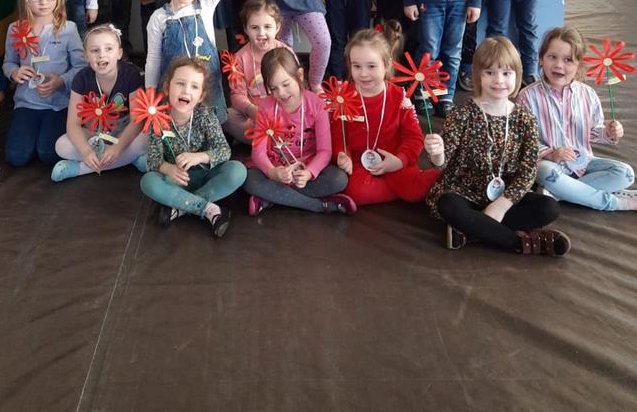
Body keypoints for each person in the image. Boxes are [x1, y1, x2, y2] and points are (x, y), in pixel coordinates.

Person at [423, 37, 571, 255]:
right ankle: (519, 243)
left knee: (549, 208)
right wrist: (437, 153)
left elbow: (528, 170)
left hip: (504, 194)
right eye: (490, 72)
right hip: (462, 193)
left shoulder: (525, 118)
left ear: (517, 75)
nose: (499, 80)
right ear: (478, 75)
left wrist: (502, 204)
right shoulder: (462, 114)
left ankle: (470, 232)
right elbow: (442, 163)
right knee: (448, 206)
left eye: (506, 73)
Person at [520, 26, 637, 211]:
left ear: (578, 65)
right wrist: (551, 154)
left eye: (568, 60)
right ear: (541, 59)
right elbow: (523, 141)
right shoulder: (527, 96)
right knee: (545, 171)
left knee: (626, 173)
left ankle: (559, 193)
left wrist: (608, 133)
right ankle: (613, 202)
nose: (559, 65)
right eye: (552, 57)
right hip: (551, 165)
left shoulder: (588, 94)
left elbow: (594, 131)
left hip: (583, 163)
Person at [140, 57, 247, 237]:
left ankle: (182, 207)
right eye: (180, 84)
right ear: (167, 87)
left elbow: (224, 150)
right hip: (176, 181)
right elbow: (153, 159)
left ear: (201, 96)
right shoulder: (157, 117)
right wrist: (168, 169)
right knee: (148, 181)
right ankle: (208, 209)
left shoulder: (205, 115)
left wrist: (199, 156)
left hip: (206, 176)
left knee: (238, 170)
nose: (186, 91)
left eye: (194, 87)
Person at [333, 29, 439, 205]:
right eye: (356, 66)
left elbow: (414, 137)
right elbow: (338, 135)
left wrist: (400, 161)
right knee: (356, 192)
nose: (363, 73)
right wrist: (343, 155)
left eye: (371, 66)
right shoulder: (343, 97)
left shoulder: (400, 97)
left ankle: (409, 185)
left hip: (395, 159)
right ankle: (399, 190)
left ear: (387, 64)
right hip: (360, 163)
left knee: (414, 189)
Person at [244, 47, 354, 215]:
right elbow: (258, 153)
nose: (281, 93)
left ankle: (272, 198)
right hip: (277, 166)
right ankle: (319, 205)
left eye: (286, 84)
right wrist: (273, 173)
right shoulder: (265, 107)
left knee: (339, 179)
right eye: (273, 88)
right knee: (250, 181)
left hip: (307, 165)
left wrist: (309, 173)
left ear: (300, 75)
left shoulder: (317, 104)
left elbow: (325, 151)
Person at [2, 0, 85, 166]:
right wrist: (14, 72)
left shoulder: (68, 29)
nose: (44, 2)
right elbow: (8, 62)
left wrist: (61, 81)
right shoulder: (15, 29)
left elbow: (81, 68)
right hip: (27, 103)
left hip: (59, 104)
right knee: (16, 157)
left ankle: (44, 140)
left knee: (48, 153)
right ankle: (31, 139)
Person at [52, 23, 146, 181]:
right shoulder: (81, 78)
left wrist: (118, 148)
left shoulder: (131, 74)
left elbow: (137, 121)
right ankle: (131, 159)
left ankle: (80, 169)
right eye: (95, 50)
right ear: (86, 56)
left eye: (109, 49)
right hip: (95, 133)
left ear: (119, 53)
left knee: (146, 138)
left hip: (123, 131)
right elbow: (73, 124)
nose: (102, 55)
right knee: (61, 145)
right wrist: (86, 151)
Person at [225, 0, 288, 142]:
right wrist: (251, 110)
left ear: (277, 27)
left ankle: (274, 140)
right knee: (227, 116)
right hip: (255, 116)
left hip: (283, 112)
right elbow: (237, 94)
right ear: (246, 29)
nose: (261, 33)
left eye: (267, 27)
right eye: (254, 28)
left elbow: (296, 88)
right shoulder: (239, 58)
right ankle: (267, 141)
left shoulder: (285, 52)